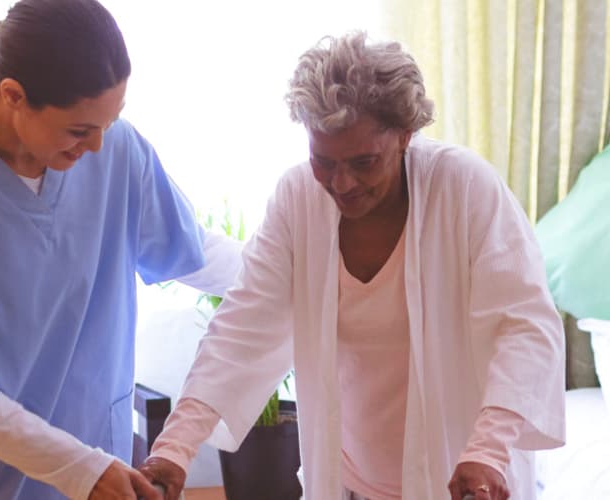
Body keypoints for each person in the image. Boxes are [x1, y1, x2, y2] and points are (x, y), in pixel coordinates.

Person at [140, 32, 566, 500]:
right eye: (324, 161)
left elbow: (523, 328)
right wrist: (175, 448)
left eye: (364, 162)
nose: (342, 183)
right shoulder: (299, 197)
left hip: (463, 473)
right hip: (348, 480)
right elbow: (242, 328)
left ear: (405, 135)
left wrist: (488, 451)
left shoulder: (464, 187)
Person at [0, 1, 238, 498]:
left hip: (88, 461)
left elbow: (196, 252)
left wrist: (309, 274)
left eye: (111, 121)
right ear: (13, 96)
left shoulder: (117, 150)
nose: (99, 146)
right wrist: (80, 469)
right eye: (79, 130)